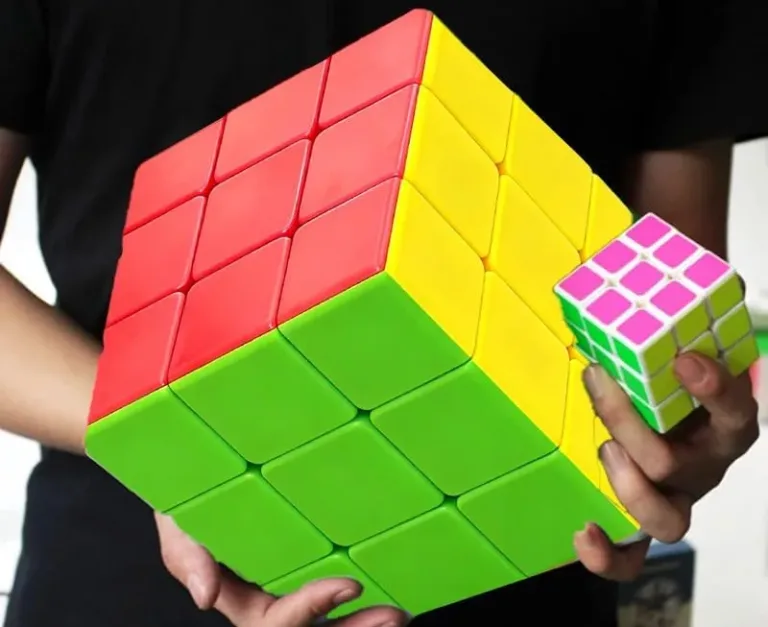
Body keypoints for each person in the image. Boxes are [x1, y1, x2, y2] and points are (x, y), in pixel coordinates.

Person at [0, 1, 766, 626]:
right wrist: (179, 447)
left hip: (526, 566)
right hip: (123, 570)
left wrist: (680, 428)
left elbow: (667, 279)